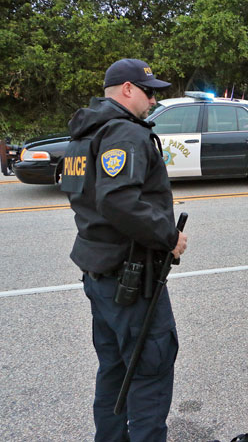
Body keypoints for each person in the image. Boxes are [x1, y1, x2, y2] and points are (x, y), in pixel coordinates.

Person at [60, 58, 188, 442]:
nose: (152, 101)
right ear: (128, 89)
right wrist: (169, 236)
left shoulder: (84, 134)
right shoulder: (123, 133)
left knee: (115, 370)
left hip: (100, 273)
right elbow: (118, 201)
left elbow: (87, 199)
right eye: (149, 92)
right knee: (150, 370)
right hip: (129, 280)